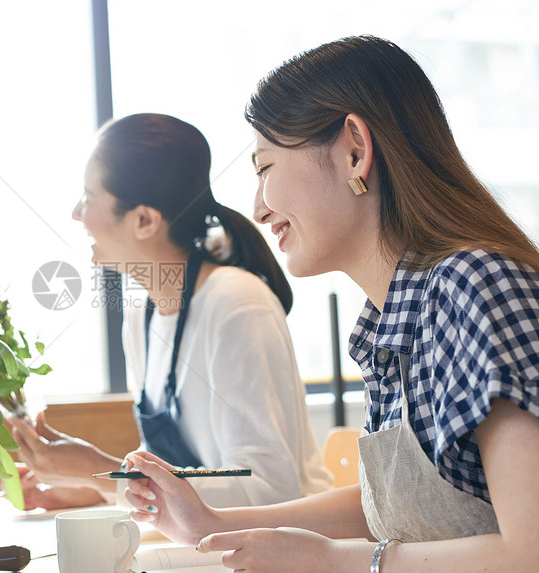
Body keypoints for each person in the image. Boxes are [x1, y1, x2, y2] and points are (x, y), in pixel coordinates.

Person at [122, 35, 539, 572]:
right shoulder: (393, 317)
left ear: (354, 151)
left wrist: (336, 561)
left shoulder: (476, 285)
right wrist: (210, 525)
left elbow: (531, 551)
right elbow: (395, 504)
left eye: (265, 168)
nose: (258, 207)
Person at [10, 113, 332, 511]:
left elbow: (269, 488)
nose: (78, 213)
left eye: (89, 198)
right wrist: (86, 488)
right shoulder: (141, 315)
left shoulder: (236, 304)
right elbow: (174, 469)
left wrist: (101, 470)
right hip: (207, 543)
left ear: (144, 220)